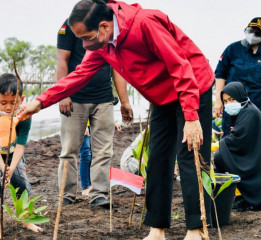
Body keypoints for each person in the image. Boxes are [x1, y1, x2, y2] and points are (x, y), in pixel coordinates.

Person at [17, 1, 214, 239]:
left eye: (86, 37)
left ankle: (196, 229)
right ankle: (157, 229)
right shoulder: (101, 45)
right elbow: (78, 75)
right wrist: (39, 102)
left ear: (103, 26)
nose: (84, 44)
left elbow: (180, 66)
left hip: (192, 85)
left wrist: (191, 117)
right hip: (162, 95)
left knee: (189, 154)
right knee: (158, 158)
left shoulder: (145, 24)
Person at [56, 11, 132, 207]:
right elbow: (62, 60)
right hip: (75, 99)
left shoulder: (108, 26)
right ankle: (67, 195)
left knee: (104, 150)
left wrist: (124, 101)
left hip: (104, 98)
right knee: (70, 149)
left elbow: (117, 66)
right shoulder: (70, 24)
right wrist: (63, 94)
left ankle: (99, 194)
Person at [0, 74, 42, 240]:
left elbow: (20, 146)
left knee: (22, 184)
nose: (8, 107)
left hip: (13, 151)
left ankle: (26, 219)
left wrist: (11, 168)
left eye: (13, 102)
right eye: (3, 102)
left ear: (22, 99)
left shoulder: (24, 117)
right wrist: (1, 165)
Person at [214, 82, 261, 209]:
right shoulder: (244, 111)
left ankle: (241, 197)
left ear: (241, 96)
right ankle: (240, 196)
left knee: (220, 156)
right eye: (226, 101)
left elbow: (237, 140)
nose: (229, 104)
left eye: (232, 99)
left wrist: (217, 145)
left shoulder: (250, 112)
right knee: (221, 156)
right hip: (257, 158)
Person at [214, 17, 261, 136]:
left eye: (257, 32)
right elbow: (220, 74)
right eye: (251, 30)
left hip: (259, 106)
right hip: (233, 105)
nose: (252, 34)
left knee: (257, 140)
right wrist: (218, 100)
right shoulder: (232, 50)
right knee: (231, 139)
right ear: (246, 30)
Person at [80, 120, 122, 196]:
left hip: (95, 122)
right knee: (86, 154)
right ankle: (85, 187)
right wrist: (83, 125)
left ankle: (95, 185)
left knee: (96, 154)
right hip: (82, 122)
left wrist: (112, 121)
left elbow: (103, 108)